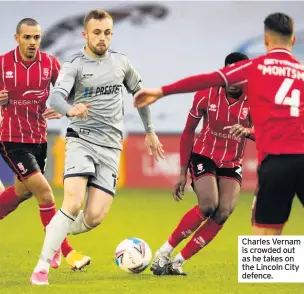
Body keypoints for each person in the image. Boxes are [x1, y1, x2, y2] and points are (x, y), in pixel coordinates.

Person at [134, 12, 304, 237]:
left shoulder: (254, 68)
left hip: (275, 162)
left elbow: (206, 79)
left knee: (266, 237)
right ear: (293, 40)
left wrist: (161, 91)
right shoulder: (302, 72)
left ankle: (270, 272)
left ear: (266, 40)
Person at [30, 9, 165, 285]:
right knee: (73, 201)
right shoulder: (75, 65)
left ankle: (56, 236)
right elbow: (55, 98)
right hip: (81, 139)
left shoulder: (121, 64)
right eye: (96, 33)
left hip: (111, 147)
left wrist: (150, 131)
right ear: (85, 34)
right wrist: (70, 109)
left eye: (106, 33)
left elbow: (140, 95)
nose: (102, 38)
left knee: (93, 217)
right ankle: (41, 268)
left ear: (111, 34)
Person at [150, 52, 255, 276]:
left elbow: (266, 134)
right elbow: (188, 131)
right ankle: (164, 251)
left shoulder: (255, 99)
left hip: (232, 162)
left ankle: (177, 262)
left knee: (223, 211)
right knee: (209, 205)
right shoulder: (206, 94)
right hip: (204, 155)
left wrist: (248, 132)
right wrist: (181, 172)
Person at [0, 18, 90, 271]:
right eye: (27, 37)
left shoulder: (50, 64)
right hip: (11, 140)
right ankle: (64, 252)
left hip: (38, 140)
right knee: (45, 192)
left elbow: (66, 93)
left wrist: (64, 109)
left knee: (22, 191)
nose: (32, 42)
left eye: (36, 38)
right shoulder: (3, 63)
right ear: (17, 38)